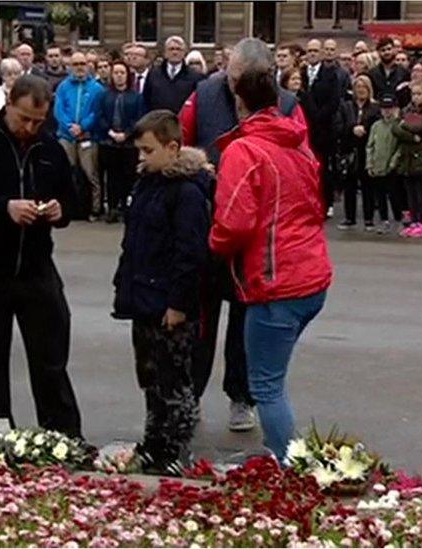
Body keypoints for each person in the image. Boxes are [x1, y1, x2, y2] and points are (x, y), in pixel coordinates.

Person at [179, 38, 305, 431]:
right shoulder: (203, 92)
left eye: (239, 79)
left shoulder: (287, 105)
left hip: (256, 233)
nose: (231, 85)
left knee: (245, 322)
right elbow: (181, 145)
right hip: (208, 218)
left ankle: (240, 397)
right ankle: (190, 395)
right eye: (229, 75)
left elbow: (302, 166)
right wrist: (199, 169)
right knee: (199, 320)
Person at [0, 75, 82, 437]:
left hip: (36, 268)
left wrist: (59, 210)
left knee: (51, 357)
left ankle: (62, 435)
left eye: (38, 121)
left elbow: (72, 199)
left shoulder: (50, 148)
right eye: (24, 118)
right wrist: (3, 207)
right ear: (8, 103)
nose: (30, 127)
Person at [210, 67, 332, 462]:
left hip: (274, 280)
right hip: (311, 273)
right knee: (271, 377)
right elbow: (315, 205)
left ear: (238, 102)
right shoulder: (297, 144)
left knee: (266, 385)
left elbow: (233, 222)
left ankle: (288, 463)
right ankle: (282, 453)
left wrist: (212, 245)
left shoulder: (244, 150)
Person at [112, 110, 210, 475]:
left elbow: (190, 253)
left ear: (172, 148)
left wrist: (179, 303)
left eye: (148, 151)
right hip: (142, 296)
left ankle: (176, 448)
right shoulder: (147, 184)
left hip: (169, 303)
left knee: (175, 380)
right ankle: (154, 442)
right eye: (139, 150)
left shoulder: (186, 192)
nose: (141, 158)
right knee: (150, 377)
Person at [54, 51, 106, 218]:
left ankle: (95, 208)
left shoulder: (97, 88)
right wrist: (69, 126)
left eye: (82, 64)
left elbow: (96, 112)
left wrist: (83, 126)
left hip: (88, 137)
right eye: (75, 64)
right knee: (65, 173)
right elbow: (58, 109)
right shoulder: (63, 86)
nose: (79, 68)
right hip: (66, 136)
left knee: (91, 174)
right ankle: (66, 208)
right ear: (70, 66)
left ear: (88, 65)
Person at [301, 38, 346, 217]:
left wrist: (318, 116)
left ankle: (326, 203)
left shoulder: (330, 74)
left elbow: (334, 101)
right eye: (309, 51)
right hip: (305, 129)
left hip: (324, 130)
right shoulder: (301, 73)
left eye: (315, 51)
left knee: (323, 167)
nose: (312, 54)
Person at [97, 60, 145, 223]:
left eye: (122, 73)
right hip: (108, 142)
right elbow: (100, 116)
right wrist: (110, 132)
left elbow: (139, 119)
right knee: (111, 177)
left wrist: (126, 134)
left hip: (129, 144)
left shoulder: (136, 97)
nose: (119, 76)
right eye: (116, 73)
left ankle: (126, 206)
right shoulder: (105, 95)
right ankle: (112, 207)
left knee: (128, 176)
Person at [391, 80, 422, 238]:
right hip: (407, 156)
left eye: (419, 94)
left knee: (420, 192)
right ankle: (413, 220)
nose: (415, 97)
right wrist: (409, 132)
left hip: (421, 157)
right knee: (410, 192)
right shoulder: (407, 109)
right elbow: (395, 127)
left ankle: (421, 222)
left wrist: (405, 123)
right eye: (413, 94)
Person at [334, 75, 379, 231]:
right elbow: (337, 126)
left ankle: (368, 219)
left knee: (368, 186)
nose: (361, 90)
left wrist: (365, 130)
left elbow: (378, 127)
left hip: (367, 150)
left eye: (364, 87)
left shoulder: (375, 108)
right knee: (349, 186)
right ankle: (350, 218)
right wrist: (352, 128)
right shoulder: (345, 106)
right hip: (349, 150)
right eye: (358, 87)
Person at [365, 94, 404, 232]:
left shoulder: (399, 124)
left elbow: (401, 146)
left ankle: (399, 219)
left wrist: (394, 162)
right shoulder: (376, 126)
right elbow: (370, 146)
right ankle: (384, 220)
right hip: (378, 165)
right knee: (380, 195)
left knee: (394, 194)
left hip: (392, 167)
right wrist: (369, 163)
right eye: (384, 108)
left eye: (390, 108)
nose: (387, 111)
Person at [143, 36, 202, 113]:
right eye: (171, 49)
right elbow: (146, 99)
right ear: (165, 53)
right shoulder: (153, 74)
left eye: (178, 49)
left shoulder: (195, 77)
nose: (175, 52)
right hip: (158, 121)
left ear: (184, 53)